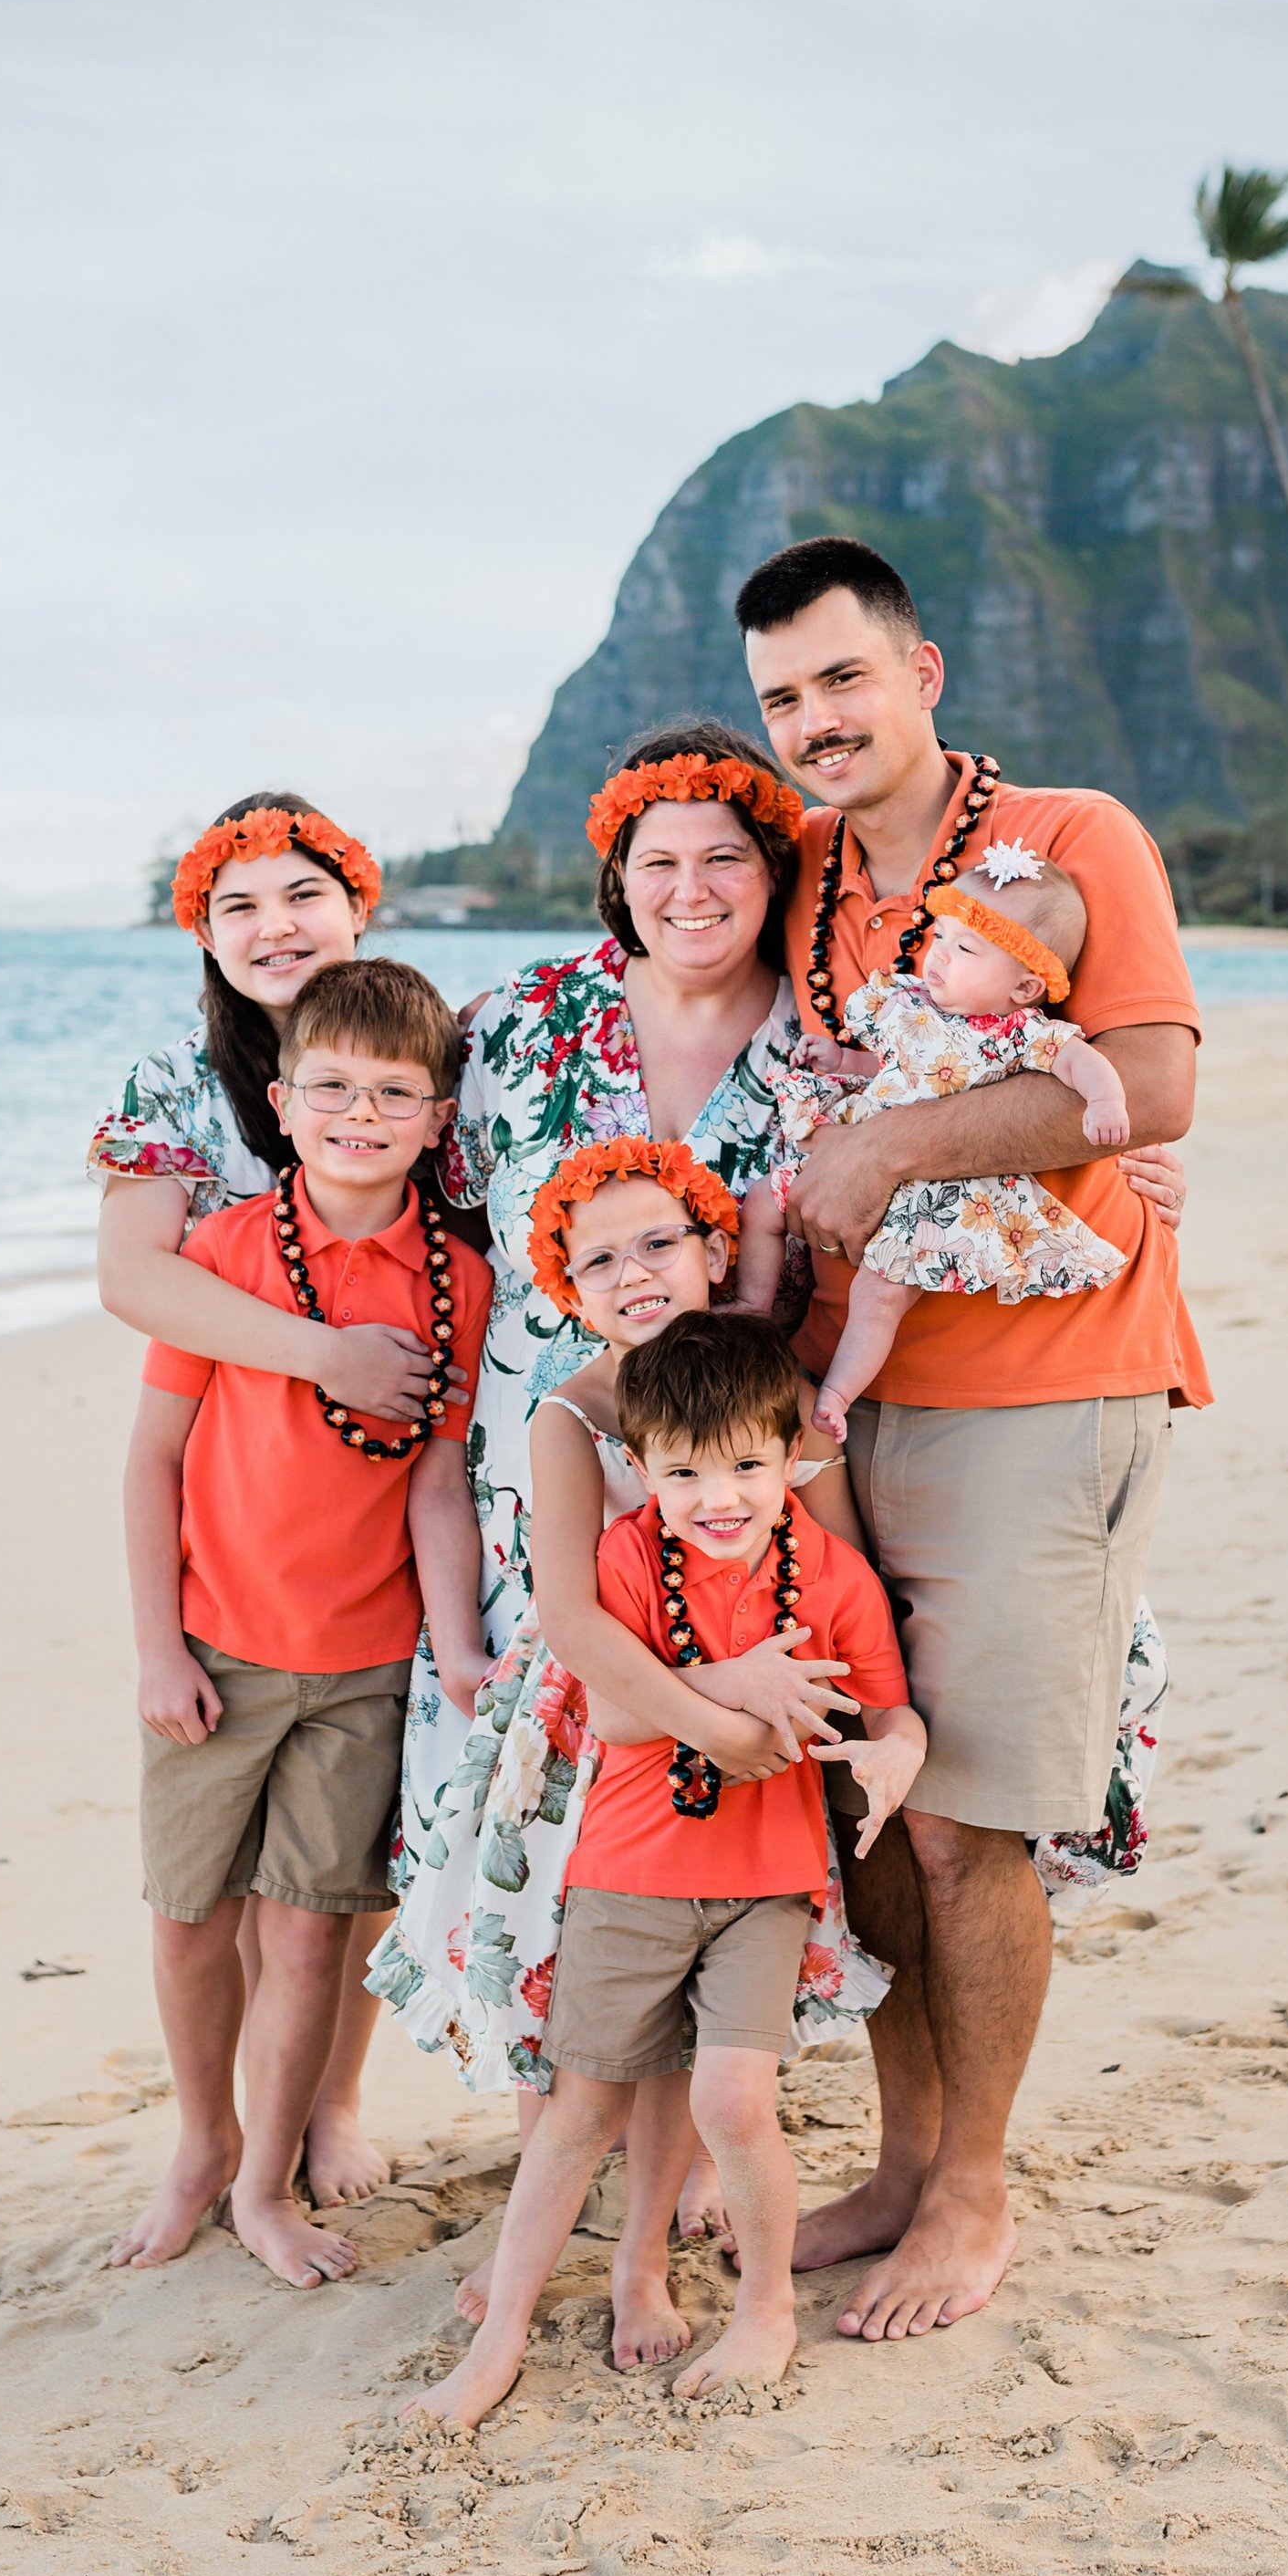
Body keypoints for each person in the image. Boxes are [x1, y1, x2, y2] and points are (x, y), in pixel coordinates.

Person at [736, 533, 1209, 2342]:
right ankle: (900, 2150)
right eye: (785, 698)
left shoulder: (1077, 838)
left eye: (841, 680)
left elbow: (1148, 1087)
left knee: (963, 1821)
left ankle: (975, 2188)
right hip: (857, 1401)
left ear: (921, 671)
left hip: (1044, 1391)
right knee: (862, 1806)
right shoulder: (809, 884)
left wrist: (893, 1154)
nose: (816, 721)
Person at [369, 1138, 878, 2342]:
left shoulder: (774, 1394)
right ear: (568, 1288)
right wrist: (709, 1715)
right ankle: (539, 2247)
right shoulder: (573, 1412)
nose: (635, 1272)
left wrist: (780, 1709)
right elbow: (568, 1617)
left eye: (659, 1242)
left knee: (680, 2030)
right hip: (600, 1736)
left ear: (713, 1250)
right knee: (584, 2016)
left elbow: (832, 1558)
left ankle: (640, 2262)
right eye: (599, 1258)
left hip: (748, 1734)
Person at [410, 1316, 922, 2428]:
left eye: (747, 1463)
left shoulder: (829, 1574)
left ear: (794, 1455)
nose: (719, 1496)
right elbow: (613, 1710)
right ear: (639, 1468)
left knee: (735, 2098)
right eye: (684, 1472)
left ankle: (768, 2308)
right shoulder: (628, 1555)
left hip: (765, 1881)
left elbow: (892, 1708)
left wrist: (893, 1756)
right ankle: (502, 2330)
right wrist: (733, 1680)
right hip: (628, 1870)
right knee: (579, 2106)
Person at [110, 957, 492, 2289]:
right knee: (186, 1917)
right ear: (280, 1103)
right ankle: (202, 2144)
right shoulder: (219, 1257)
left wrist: (452, 1645)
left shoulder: (459, 1279)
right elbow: (154, 1457)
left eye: (395, 1093)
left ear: (439, 1118)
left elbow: (440, 1482)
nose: (361, 1113)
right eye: (329, 1087)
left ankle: (266, 2182)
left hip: (364, 1668)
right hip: (214, 1648)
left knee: (313, 1926)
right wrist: (158, 1645)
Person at [741, 842, 1132, 1436]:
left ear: (1026, 988)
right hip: (862, 1145)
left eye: (966, 949)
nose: (938, 957)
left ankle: (839, 1395)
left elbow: (1080, 1063)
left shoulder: (1017, 1033)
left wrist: (1106, 1100)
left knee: (880, 1295)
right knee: (765, 1199)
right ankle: (753, 1306)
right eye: (941, 936)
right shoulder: (910, 1005)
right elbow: (890, 1068)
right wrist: (840, 1055)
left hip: (939, 1195)